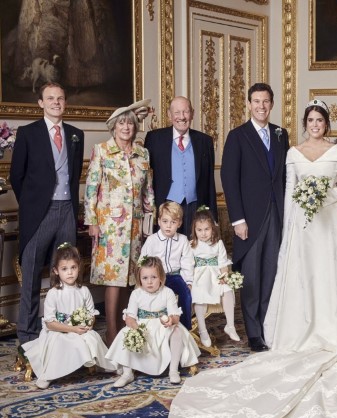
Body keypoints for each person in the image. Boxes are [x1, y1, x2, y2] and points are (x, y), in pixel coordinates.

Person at [169, 99, 337, 418]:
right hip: (302, 226)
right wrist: (290, 226)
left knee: (332, 275)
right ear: (305, 124)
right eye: (311, 120)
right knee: (303, 276)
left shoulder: (335, 152)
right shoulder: (294, 152)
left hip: (330, 222)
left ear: (326, 124)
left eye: (320, 120)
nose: (315, 125)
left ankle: (335, 324)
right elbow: (287, 192)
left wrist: (322, 197)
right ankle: (301, 325)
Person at [10, 83, 84, 354]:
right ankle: (28, 339)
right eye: (50, 98)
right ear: (40, 103)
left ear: (65, 102)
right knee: (31, 275)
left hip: (67, 210)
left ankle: (69, 335)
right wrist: (32, 205)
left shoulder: (76, 134)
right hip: (38, 213)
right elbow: (16, 176)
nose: (56, 102)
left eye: (60, 98)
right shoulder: (28, 133)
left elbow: (74, 175)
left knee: (68, 276)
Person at [220, 82, 289, 352]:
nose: (261, 106)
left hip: (277, 213)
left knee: (271, 273)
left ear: (272, 104)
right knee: (251, 277)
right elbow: (229, 178)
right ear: (248, 104)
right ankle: (254, 334)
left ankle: (268, 327)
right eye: (256, 101)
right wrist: (237, 219)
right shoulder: (237, 136)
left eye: (266, 101)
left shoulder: (281, 134)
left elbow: (285, 175)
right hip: (249, 217)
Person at [85, 99, 155, 345]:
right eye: (122, 123)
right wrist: (91, 221)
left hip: (135, 226)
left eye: (131, 123)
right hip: (109, 226)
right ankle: (112, 331)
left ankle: (126, 327)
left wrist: (150, 220)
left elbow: (148, 190)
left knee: (130, 278)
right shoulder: (102, 150)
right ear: (114, 127)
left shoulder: (142, 152)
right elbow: (91, 188)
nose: (126, 127)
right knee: (113, 278)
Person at [21, 244, 117, 389]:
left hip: (79, 328)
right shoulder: (54, 293)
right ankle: (48, 374)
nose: (70, 273)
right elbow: (50, 324)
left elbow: (91, 314)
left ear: (79, 267)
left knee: (92, 338)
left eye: (73, 268)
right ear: (56, 271)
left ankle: (107, 366)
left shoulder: (83, 291)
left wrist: (89, 324)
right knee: (57, 342)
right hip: (59, 329)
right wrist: (72, 329)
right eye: (64, 269)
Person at [107, 256, 200, 387]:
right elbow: (130, 317)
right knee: (125, 332)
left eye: (153, 277)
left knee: (178, 331)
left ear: (161, 277)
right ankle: (127, 373)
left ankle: (173, 370)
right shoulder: (136, 294)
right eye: (145, 278)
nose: (149, 282)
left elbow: (175, 315)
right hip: (142, 325)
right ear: (139, 279)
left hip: (162, 326)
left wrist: (171, 321)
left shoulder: (168, 293)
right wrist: (135, 329)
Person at [145, 96, 217, 236]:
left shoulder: (205, 141)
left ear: (192, 114)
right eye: (177, 112)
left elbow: (210, 183)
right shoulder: (154, 139)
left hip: (195, 206)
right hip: (165, 207)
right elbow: (144, 175)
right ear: (169, 114)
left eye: (186, 112)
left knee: (193, 250)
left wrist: (213, 217)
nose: (182, 117)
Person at [188, 207, 240, 346]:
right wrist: (189, 281)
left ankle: (230, 325)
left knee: (227, 290)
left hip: (215, 274)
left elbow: (223, 262)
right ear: (194, 230)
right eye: (199, 230)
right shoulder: (192, 245)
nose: (203, 233)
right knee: (199, 296)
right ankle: (203, 330)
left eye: (207, 229)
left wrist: (224, 276)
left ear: (213, 228)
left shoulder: (218, 243)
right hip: (199, 276)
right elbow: (188, 265)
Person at [140, 202, 194, 330]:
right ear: (159, 221)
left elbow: (187, 262)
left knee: (185, 294)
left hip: (175, 276)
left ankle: (185, 328)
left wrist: (188, 281)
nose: (168, 226)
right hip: (156, 276)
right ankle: (154, 326)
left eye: (173, 222)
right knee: (154, 297)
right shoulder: (152, 240)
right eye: (165, 221)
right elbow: (143, 261)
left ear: (179, 223)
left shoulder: (182, 240)